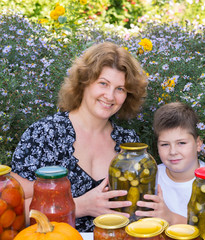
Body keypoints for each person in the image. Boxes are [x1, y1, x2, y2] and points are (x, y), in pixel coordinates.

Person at [10, 41, 148, 232]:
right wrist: (81, 205)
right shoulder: (44, 134)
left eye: (120, 89)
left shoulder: (128, 142)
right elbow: (14, 211)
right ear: (84, 82)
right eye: (103, 83)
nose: (110, 96)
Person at [135, 102, 205, 225]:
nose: (173, 152)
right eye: (165, 144)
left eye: (181, 143)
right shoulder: (150, 176)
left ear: (198, 144)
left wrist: (171, 218)